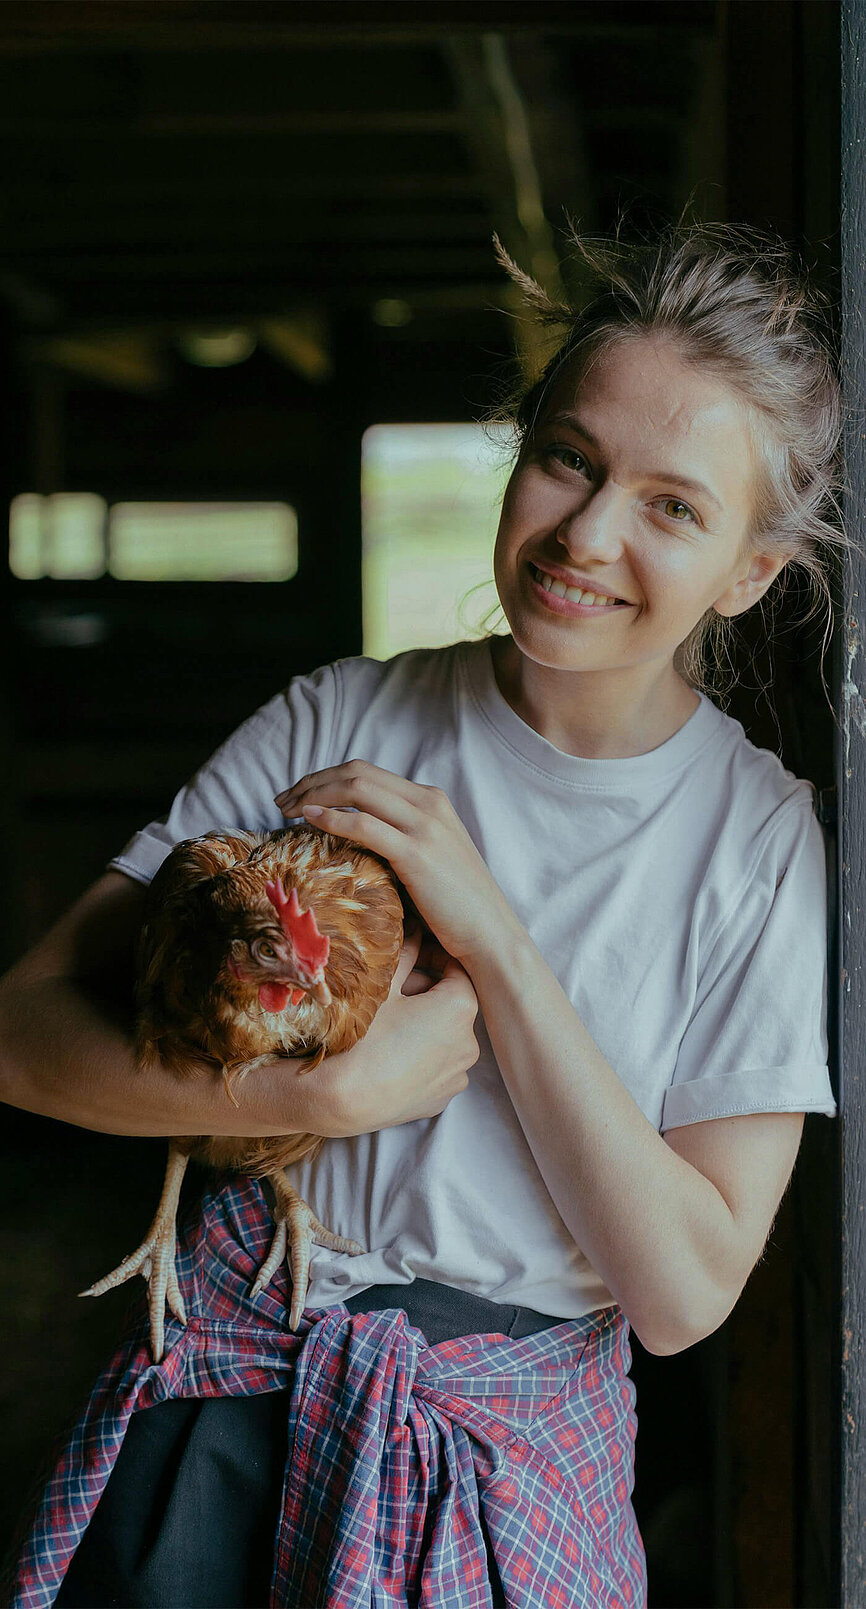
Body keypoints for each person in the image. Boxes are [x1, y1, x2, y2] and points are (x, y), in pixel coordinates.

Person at [0, 220, 843, 1609]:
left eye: (671, 506)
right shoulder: (345, 716)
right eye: (566, 456)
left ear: (749, 569)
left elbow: (686, 1292)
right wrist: (319, 1095)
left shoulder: (753, 845)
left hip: (498, 1463)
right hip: (226, 1410)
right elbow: (25, 1037)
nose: (586, 533)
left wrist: (499, 950)